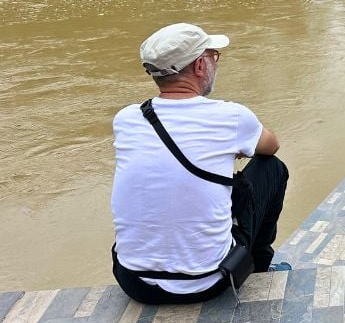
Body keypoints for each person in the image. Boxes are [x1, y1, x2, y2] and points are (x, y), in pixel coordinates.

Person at [111, 22, 289, 304]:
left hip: (134, 283)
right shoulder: (231, 117)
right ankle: (258, 269)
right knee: (272, 168)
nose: (215, 63)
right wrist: (234, 149)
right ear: (199, 66)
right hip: (208, 282)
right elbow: (271, 146)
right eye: (213, 56)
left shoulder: (126, 118)